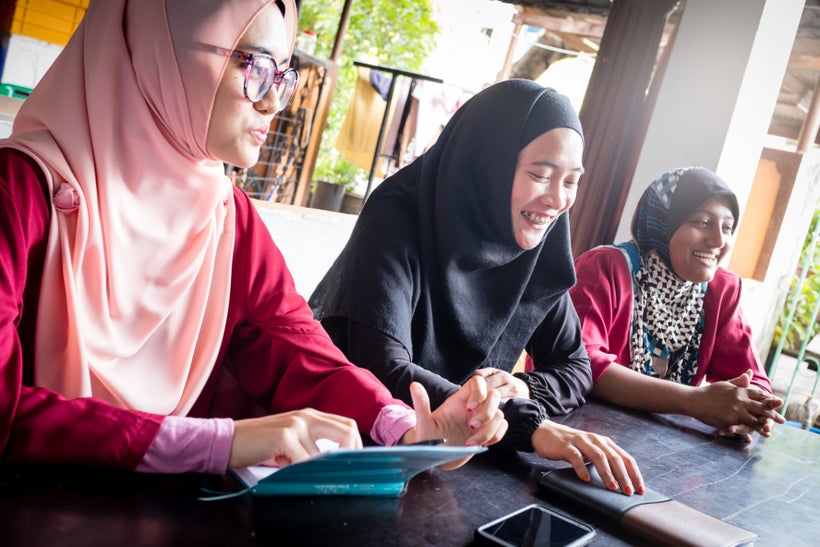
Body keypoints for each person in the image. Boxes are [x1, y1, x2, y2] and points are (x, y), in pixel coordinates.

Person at [0, 0, 508, 475]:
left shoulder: (225, 216)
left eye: (282, 76)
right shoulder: (19, 188)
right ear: (161, 50)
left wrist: (405, 427)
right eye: (254, 67)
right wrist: (219, 442)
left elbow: (297, 349)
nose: (273, 104)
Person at [310, 79, 644, 496]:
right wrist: (527, 424)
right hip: (359, 454)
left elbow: (575, 367)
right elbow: (383, 368)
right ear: (489, 165)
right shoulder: (399, 216)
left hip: (462, 466)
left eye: (572, 181)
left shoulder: (536, 244)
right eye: (541, 175)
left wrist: (521, 386)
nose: (557, 200)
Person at [569, 167, 784, 442]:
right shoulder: (605, 267)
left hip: (662, 450)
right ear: (662, 222)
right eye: (702, 222)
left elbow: (752, 377)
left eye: (727, 228)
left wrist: (751, 408)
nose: (718, 240)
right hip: (575, 435)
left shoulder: (721, 290)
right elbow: (580, 363)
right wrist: (694, 400)